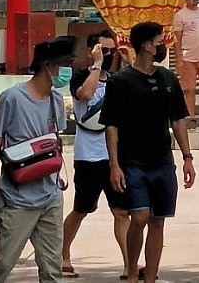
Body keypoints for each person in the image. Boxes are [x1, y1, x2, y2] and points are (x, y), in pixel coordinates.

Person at [101, 22, 195, 283]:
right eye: (158, 41)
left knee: (158, 220)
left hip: (163, 162)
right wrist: (114, 165)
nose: (162, 45)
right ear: (145, 45)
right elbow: (112, 127)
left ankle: (151, 276)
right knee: (139, 216)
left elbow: (178, 120)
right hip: (133, 163)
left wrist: (187, 158)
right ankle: (132, 270)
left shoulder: (168, 79)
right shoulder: (120, 82)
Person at [0, 36, 75, 283]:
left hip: (50, 195)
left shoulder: (55, 100)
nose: (67, 71)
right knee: (2, 264)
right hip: (17, 198)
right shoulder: (12, 98)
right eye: (64, 64)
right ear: (48, 66)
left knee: (52, 269)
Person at [61, 31, 130, 280]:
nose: (110, 55)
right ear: (93, 50)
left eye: (113, 50)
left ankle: (128, 263)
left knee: (122, 211)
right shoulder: (81, 76)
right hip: (88, 156)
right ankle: (64, 254)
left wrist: (128, 61)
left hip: (114, 157)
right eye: (105, 50)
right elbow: (86, 95)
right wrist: (96, 65)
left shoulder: (117, 80)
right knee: (82, 208)